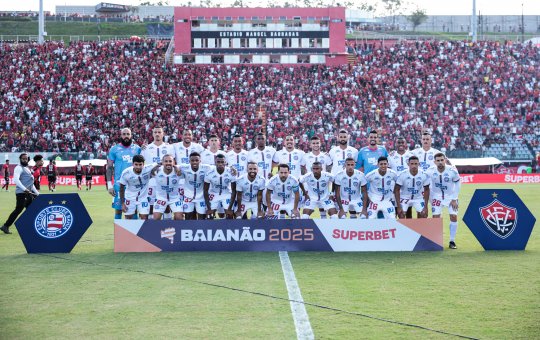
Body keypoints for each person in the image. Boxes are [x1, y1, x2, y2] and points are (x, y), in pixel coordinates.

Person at [427, 153, 461, 249]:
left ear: (445, 160)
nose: (440, 162)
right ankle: (436, 241)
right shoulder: (430, 171)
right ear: (434, 162)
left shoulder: (452, 170)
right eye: (438, 160)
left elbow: (458, 183)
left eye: (442, 160)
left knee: (454, 216)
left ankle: (452, 241)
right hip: (437, 197)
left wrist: (454, 199)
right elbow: (424, 182)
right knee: (435, 218)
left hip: (450, 197)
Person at [106, 128, 142, 219]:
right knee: (118, 209)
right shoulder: (114, 149)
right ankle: (118, 232)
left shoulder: (137, 149)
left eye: (128, 134)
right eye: (124, 134)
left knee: (134, 210)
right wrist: (109, 185)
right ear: (121, 136)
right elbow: (109, 167)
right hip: (119, 184)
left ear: (131, 136)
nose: (126, 136)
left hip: (134, 185)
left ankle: (134, 232)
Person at [1, 154, 40, 234]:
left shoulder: (27, 168)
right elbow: (16, 180)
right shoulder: (18, 168)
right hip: (22, 193)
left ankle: (29, 226)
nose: (25, 160)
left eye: (26, 159)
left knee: (32, 210)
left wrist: (37, 194)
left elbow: (31, 184)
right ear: (20, 159)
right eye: (23, 159)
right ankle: (5, 226)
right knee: (18, 210)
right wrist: (25, 189)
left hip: (28, 194)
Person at [141, 126, 175, 218]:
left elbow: (173, 163)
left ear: (163, 134)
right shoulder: (146, 148)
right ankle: (152, 229)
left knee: (167, 205)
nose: (157, 134)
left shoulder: (169, 147)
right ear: (152, 134)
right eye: (155, 132)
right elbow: (142, 165)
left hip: (166, 180)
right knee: (151, 205)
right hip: (151, 181)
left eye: (159, 132)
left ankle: (168, 226)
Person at [118, 155, 156, 220]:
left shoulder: (148, 168)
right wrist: (122, 203)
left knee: (144, 217)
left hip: (143, 198)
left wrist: (175, 167)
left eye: (140, 164)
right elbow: (121, 188)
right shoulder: (126, 173)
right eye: (136, 164)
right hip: (130, 198)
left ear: (143, 164)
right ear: (132, 164)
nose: (138, 167)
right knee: (128, 218)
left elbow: (160, 164)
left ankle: (143, 230)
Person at [180, 152, 213, 220]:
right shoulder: (184, 167)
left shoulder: (206, 167)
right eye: (192, 160)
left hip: (201, 197)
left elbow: (219, 167)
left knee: (202, 218)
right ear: (189, 161)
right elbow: (172, 166)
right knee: (188, 218)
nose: (194, 162)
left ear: (200, 161)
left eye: (197, 160)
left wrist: (231, 169)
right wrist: (176, 168)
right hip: (188, 197)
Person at [203, 154, 237, 219]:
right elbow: (205, 190)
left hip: (226, 193)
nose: (220, 164)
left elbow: (233, 190)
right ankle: (211, 228)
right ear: (215, 162)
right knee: (209, 215)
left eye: (222, 162)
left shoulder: (231, 172)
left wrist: (229, 208)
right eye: (218, 162)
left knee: (229, 214)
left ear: (225, 163)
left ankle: (228, 228)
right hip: (214, 193)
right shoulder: (209, 173)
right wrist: (209, 208)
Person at [151, 154, 184, 220]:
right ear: (162, 162)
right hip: (161, 198)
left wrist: (176, 167)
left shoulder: (178, 170)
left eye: (170, 161)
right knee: (155, 218)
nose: (168, 163)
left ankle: (176, 229)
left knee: (179, 217)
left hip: (174, 198)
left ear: (173, 162)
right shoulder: (156, 170)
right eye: (166, 161)